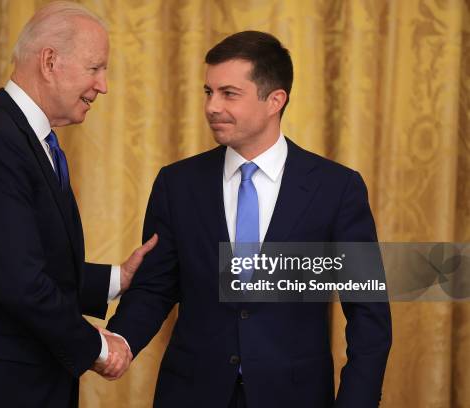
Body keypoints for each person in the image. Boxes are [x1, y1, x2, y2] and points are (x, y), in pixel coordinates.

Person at [106, 31, 392, 407]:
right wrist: (120, 340)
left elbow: (368, 312)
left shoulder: (337, 188)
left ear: (275, 100)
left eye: (229, 93)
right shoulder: (177, 184)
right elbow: (156, 286)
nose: (211, 106)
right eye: (208, 92)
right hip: (191, 394)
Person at [0, 2, 156, 407]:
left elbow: (27, 262)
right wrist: (98, 347)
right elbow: (20, 283)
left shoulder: (22, 138)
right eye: (95, 68)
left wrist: (117, 278)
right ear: (49, 61)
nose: (104, 85)